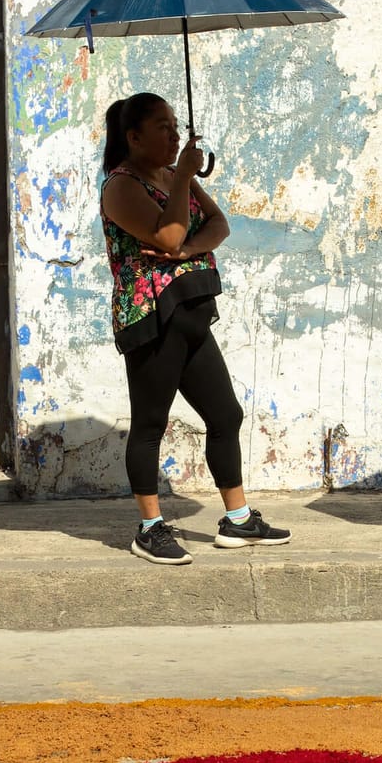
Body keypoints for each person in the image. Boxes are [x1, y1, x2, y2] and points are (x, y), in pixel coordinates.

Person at [99, 92, 290, 565]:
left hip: (190, 313)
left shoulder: (168, 177)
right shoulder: (122, 187)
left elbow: (218, 226)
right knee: (150, 424)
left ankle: (238, 519)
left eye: (176, 125)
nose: (175, 135)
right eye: (163, 127)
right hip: (152, 319)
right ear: (133, 137)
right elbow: (165, 234)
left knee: (225, 415)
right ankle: (149, 528)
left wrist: (186, 251)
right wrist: (184, 176)